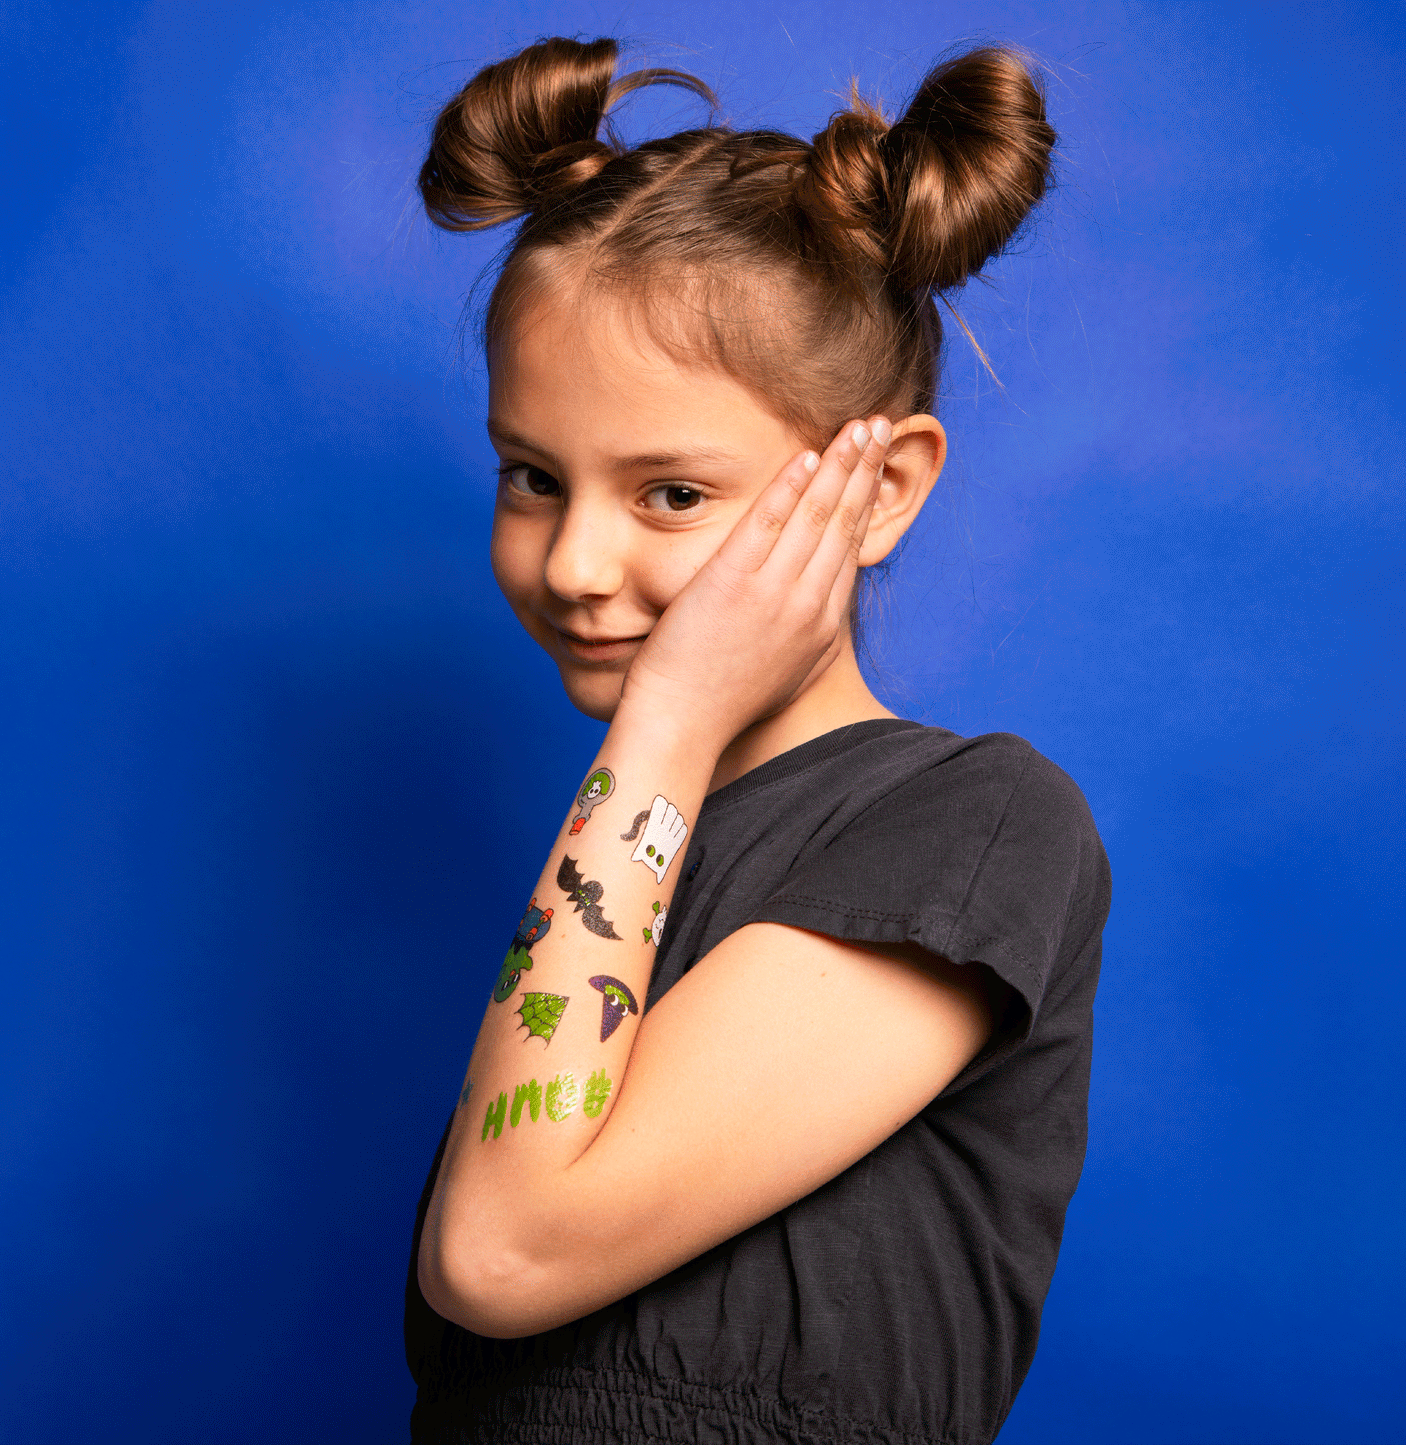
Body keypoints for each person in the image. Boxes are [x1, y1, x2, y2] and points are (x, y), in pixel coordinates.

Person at [404, 34, 1110, 1445]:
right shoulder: (624, 867)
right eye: (533, 477)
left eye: (670, 492)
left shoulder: (977, 826)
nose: (576, 564)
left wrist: (664, 725)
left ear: (881, 489)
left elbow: (503, 1253)